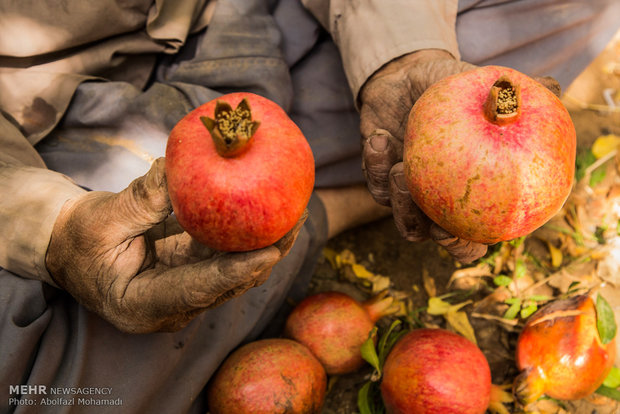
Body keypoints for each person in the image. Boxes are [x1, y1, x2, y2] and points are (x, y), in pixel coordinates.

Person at [1, 0, 618, 412]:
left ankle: (302, 207)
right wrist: (50, 229)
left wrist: (398, 57)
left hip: (254, 18)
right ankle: (332, 205)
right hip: (54, 127)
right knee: (46, 383)